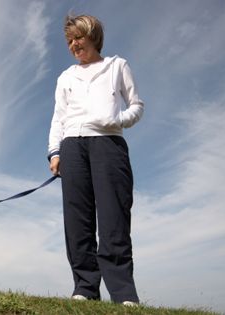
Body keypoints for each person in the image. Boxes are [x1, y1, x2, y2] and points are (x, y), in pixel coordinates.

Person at [48, 14, 143, 305]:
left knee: (114, 215)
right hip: (72, 146)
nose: (74, 44)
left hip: (109, 144)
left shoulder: (117, 66)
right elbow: (58, 117)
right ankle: (85, 288)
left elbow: (137, 105)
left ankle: (124, 294)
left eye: (78, 37)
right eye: (70, 40)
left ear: (93, 36)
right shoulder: (66, 77)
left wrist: (117, 119)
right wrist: (55, 151)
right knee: (77, 219)